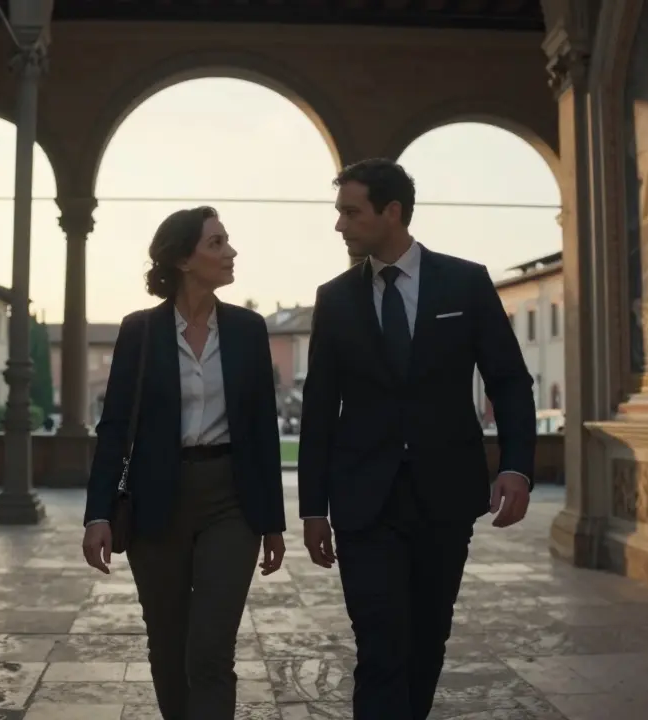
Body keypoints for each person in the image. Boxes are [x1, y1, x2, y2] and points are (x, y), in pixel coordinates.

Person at [298, 159, 537, 720]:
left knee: (427, 642)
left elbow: (508, 380)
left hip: (445, 496)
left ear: (392, 212)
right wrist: (313, 508)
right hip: (364, 501)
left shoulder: (465, 282)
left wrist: (517, 465)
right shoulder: (335, 299)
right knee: (379, 646)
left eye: (351, 212)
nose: (340, 225)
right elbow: (319, 408)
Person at [81, 206, 287, 720]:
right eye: (216, 243)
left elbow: (263, 429)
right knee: (168, 645)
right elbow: (114, 427)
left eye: (226, 241)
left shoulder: (248, 329)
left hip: (231, 500)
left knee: (211, 649)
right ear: (182, 259)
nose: (230, 252)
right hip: (156, 499)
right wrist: (98, 513)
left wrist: (273, 522)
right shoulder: (140, 331)